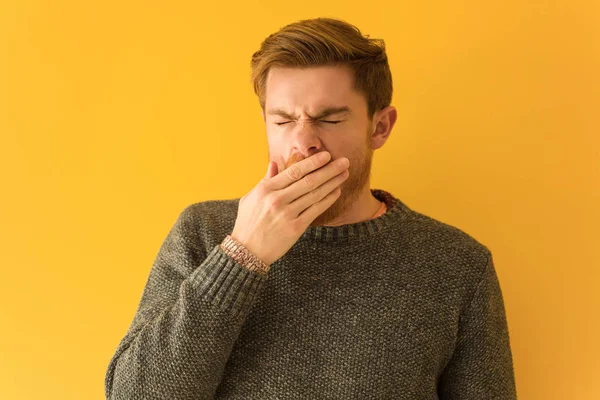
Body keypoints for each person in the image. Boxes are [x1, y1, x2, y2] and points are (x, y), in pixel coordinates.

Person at [104, 17, 517, 399]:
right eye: (283, 121)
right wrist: (242, 255)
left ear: (380, 126)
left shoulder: (456, 264)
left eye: (330, 119)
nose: (303, 143)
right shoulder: (204, 231)